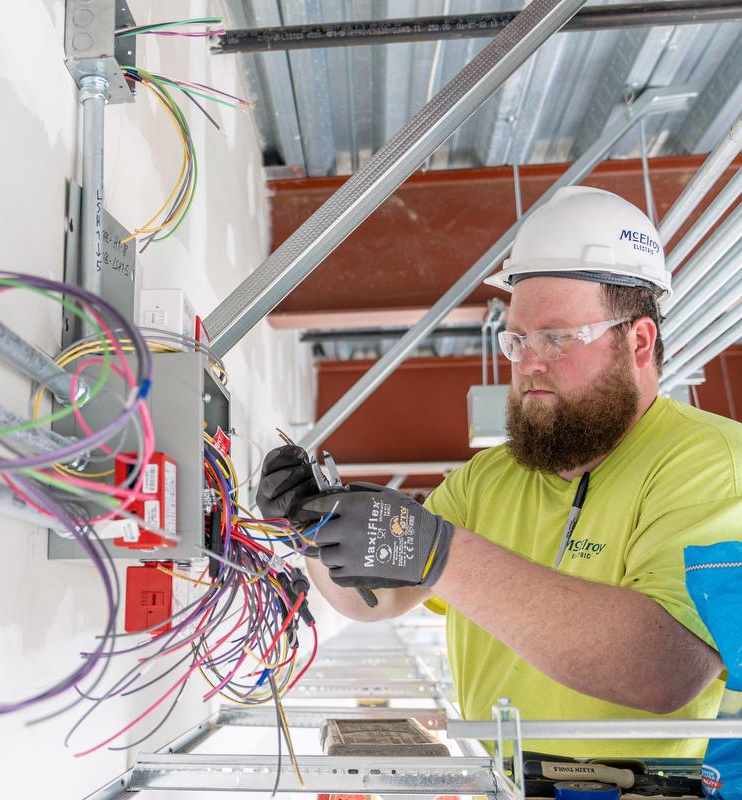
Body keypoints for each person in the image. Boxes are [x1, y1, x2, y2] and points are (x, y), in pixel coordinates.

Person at [257, 186, 742, 758]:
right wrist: (314, 528)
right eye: (517, 339)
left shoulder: (710, 462)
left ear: (638, 341)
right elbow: (376, 599)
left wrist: (437, 552)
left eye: (559, 337)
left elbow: (663, 669)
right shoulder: (490, 477)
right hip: (498, 783)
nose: (529, 362)